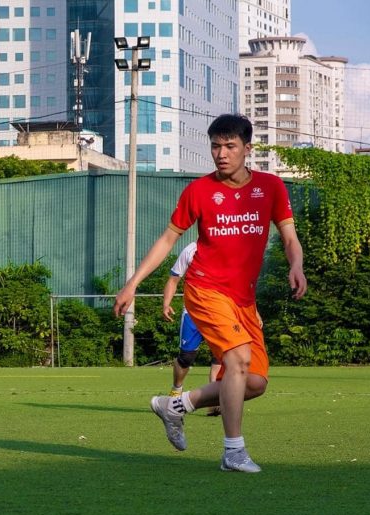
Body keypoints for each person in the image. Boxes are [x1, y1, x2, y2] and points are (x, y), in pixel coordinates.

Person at [114, 113, 306, 473]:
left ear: (248, 148)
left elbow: (289, 237)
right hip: (205, 289)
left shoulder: (271, 187)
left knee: (255, 382)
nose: (221, 153)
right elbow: (167, 240)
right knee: (237, 360)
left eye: (230, 146)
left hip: (243, 300)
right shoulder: (199, 191)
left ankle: (175, 405)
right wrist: (133, 283)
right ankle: (233, 451)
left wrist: (296, 265)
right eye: (216, 146)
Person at [161, 241, 222, 416]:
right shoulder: (190, 250)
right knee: (186, 357)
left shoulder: (226, 247)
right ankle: (176, 390)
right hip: (193, 313)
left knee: (221, 356)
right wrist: (166, 303)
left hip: (220, 312)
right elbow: (173, 279)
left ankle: (214, 402)